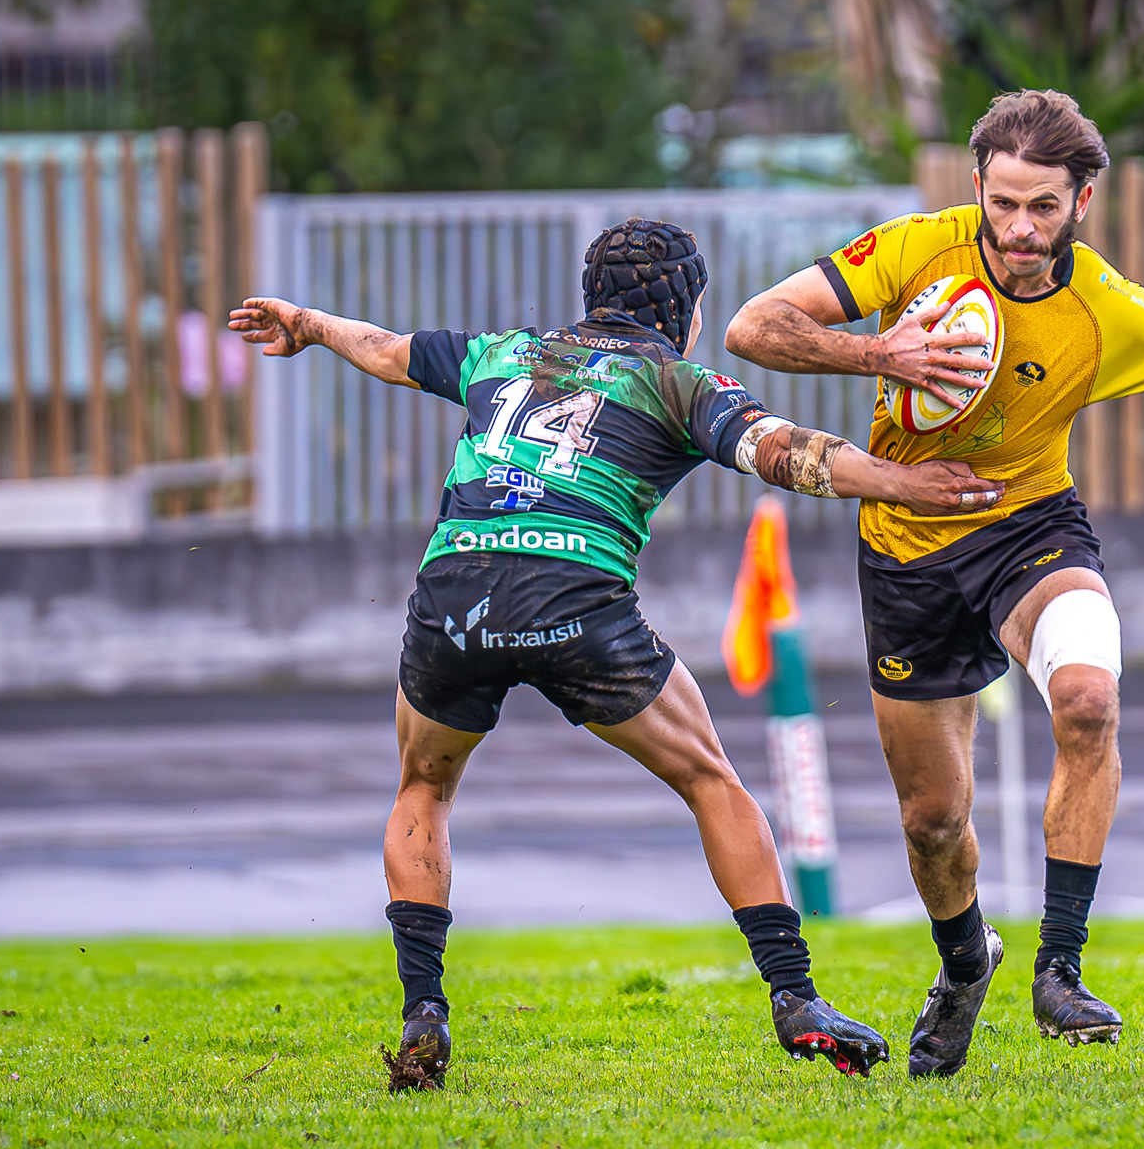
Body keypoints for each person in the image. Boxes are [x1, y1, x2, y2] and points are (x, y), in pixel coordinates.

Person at [230, 218, 1004, 1090]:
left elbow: (384, 347)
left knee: (423, 787)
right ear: (685, 307)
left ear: (592, 295)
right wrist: (902, 480)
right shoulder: (677, 381)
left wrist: (309, 322)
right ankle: (794, 999)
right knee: (711, 779)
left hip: (456, 590)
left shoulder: (503, 351)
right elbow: (785, 454)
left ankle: (423, 1014)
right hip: (574, 596)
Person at [725, 91, 1144, 1077]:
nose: (1020, 229)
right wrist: (876, 351)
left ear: (1083, 202)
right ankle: (965, 963)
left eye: (1044, 209)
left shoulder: (1105, 308)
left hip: (1030, 529)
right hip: (907, 549)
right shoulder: (910, 248)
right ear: (978, 185)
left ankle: (1059, 970)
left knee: (1089, 700)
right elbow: (751, 328)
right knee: (934, 824)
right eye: (1005, 203)